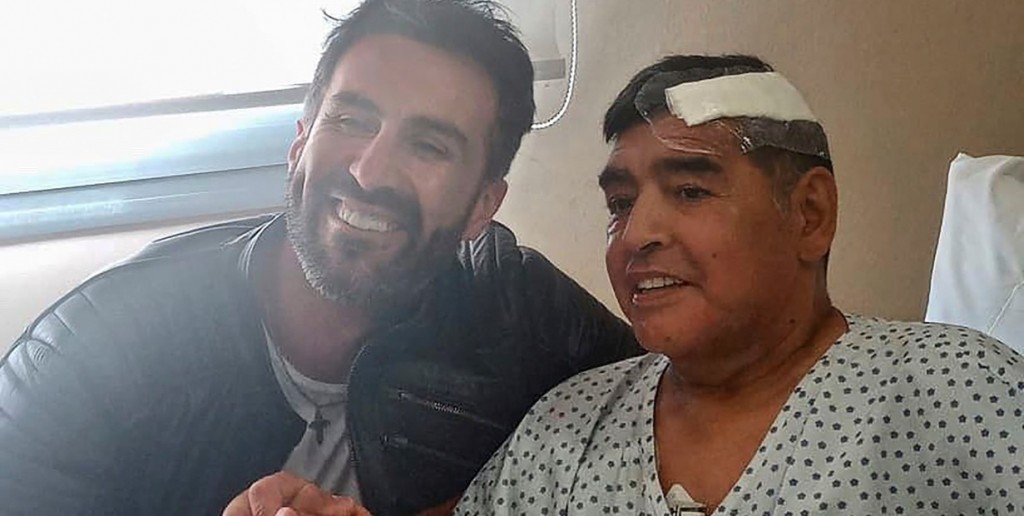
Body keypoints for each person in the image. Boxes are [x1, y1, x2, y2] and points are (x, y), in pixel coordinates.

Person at [0, 1, 639, 515]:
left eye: (429, 146)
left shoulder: (521, 311)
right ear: (299, 143)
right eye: (352, 121)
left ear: (483, 205)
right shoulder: (94, 350)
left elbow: (671, 398)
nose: (369, 171)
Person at [455, 54, 1024, 515]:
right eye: (621, 203)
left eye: (690, 191)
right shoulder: (563, 430)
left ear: (809, 214)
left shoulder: (958, 390)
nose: (636, 234)